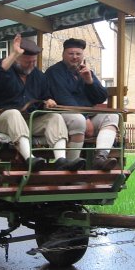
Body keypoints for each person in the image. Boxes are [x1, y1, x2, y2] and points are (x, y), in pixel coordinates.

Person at [0, 34, 85, 172]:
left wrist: (48, 101)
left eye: (33, 61)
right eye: (27, 62)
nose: (31, 65)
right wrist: (14, 53)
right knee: (13, 114)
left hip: (28, 121)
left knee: (55, 118)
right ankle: (29, 159)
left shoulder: (38, 76)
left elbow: (44, 97)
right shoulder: (1, 69)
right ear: (16, 60)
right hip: (0, 121)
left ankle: (61, 160)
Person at [45, 38, 119, 171]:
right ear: (63, 54)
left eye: (78, 54)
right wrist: (85, 118)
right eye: (71, 53)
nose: (75, 57)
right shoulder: (54, 72)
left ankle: (100, 158)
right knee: (78, 120)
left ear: (82, 56)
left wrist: (90, 81)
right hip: (65, 116)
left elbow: (101, 97)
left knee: (112, 116)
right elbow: (64, 98)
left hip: (87, 117)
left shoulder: (86, 71)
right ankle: (71, 166)